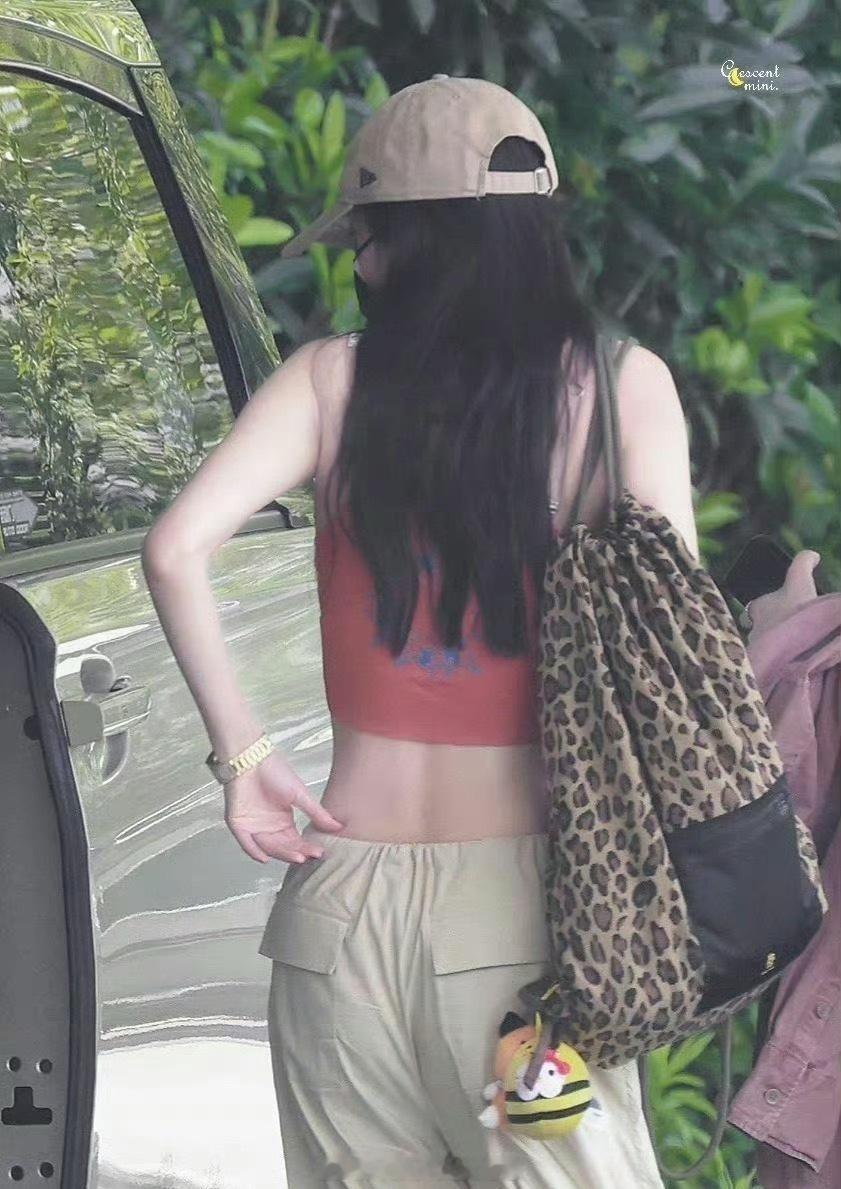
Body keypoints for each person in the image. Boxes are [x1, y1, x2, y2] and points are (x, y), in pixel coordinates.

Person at [142, 75, 698, 1188]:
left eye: (365, 240)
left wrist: (246, 759)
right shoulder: (621, 387)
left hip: (337, 921)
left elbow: (174, 548)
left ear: (400, 242)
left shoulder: (328, 380)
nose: (359, 266)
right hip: (533, 950)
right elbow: (671, 637)